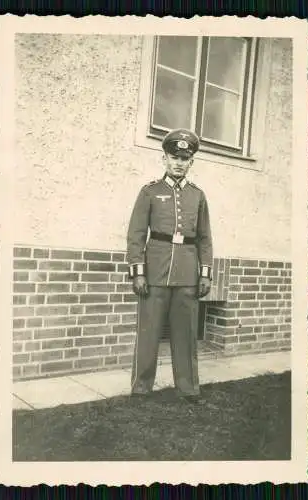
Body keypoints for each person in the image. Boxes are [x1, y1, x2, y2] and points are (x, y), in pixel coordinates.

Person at [126, 128, 213, 403]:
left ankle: (188, 388)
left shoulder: (198, 196)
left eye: (184, 159)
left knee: (186, 334)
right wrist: (138, 272)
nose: (178, 163)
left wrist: (205, 273)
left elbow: (205, 238)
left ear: (191, 163)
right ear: (164, 159)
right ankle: (141, 388)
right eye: (173, 157)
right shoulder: (150, 192)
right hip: (155, 272)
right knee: (149, 332)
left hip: (188, 273)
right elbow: (136, 235)